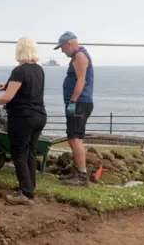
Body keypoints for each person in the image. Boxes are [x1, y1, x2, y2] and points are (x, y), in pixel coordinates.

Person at [0, 37, 47, 206]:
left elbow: (8, 97)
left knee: (19, 154)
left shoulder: (19, 70)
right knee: (30, 153)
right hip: (39, 116)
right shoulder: (39, 70)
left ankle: (25, 194)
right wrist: (7, 86)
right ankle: (28, 190)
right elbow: (27, 89)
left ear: (20, 51)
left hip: (23, 118)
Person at [54, 31, 94, 187]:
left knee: (74, 138)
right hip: (80, 102)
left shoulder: (79, 56)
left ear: (68, 44)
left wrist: (72, 102)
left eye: (62, 48)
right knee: (76, 137)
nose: (62, 51)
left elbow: (81, 81)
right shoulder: (79, 55)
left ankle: (82, 176)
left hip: (79, 103)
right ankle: (78, 172)